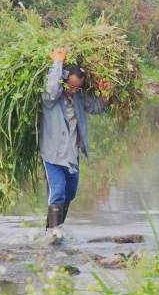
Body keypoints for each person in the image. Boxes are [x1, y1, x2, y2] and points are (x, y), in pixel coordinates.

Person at [40, 48, 110, 241]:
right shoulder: (51, 100)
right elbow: (51, 90)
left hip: (72, 156)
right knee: (58, 192)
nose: (73, 91)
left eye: (77, 88)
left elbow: (95, 108)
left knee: (70, 193)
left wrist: (105, 95)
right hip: (53, 155)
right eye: (70, 86)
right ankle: (53, 233)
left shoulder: (78, 97)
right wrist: (57, 63)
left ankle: (54, 229)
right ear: (63, 81)